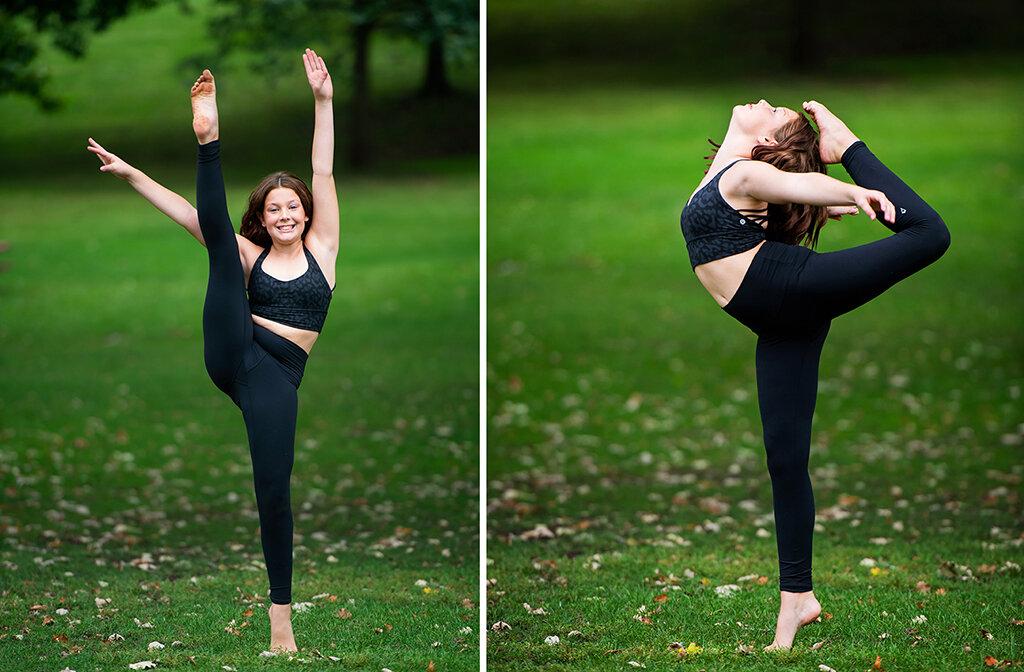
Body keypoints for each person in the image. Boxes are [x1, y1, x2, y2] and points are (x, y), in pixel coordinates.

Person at [88, 49, 338, 653]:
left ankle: (281, 620)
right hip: (233, 348)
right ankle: (209, 137)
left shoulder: (325, 247)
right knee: (223, 249)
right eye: (273, 207)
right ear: (264, 215)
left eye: (292, 207)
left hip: (276, 376)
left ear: (306, 215)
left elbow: (323, 171)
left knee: (274, 488)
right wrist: (131, 175)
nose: (283, 213)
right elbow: (189, 216)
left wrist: (323, 100)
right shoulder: (249, 254)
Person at [679, 100, 949, 650]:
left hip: (791, 290)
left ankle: (849, 145)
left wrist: (847, 183)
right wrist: (816, 203)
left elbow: (792, 186)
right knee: (784, 458)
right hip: (779, 321)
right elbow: (785, 196)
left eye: (776, 110)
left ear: (769, 145)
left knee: (927, 233)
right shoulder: (730, 172)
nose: (765, 102)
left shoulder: (745, 172)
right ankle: (797, 602)